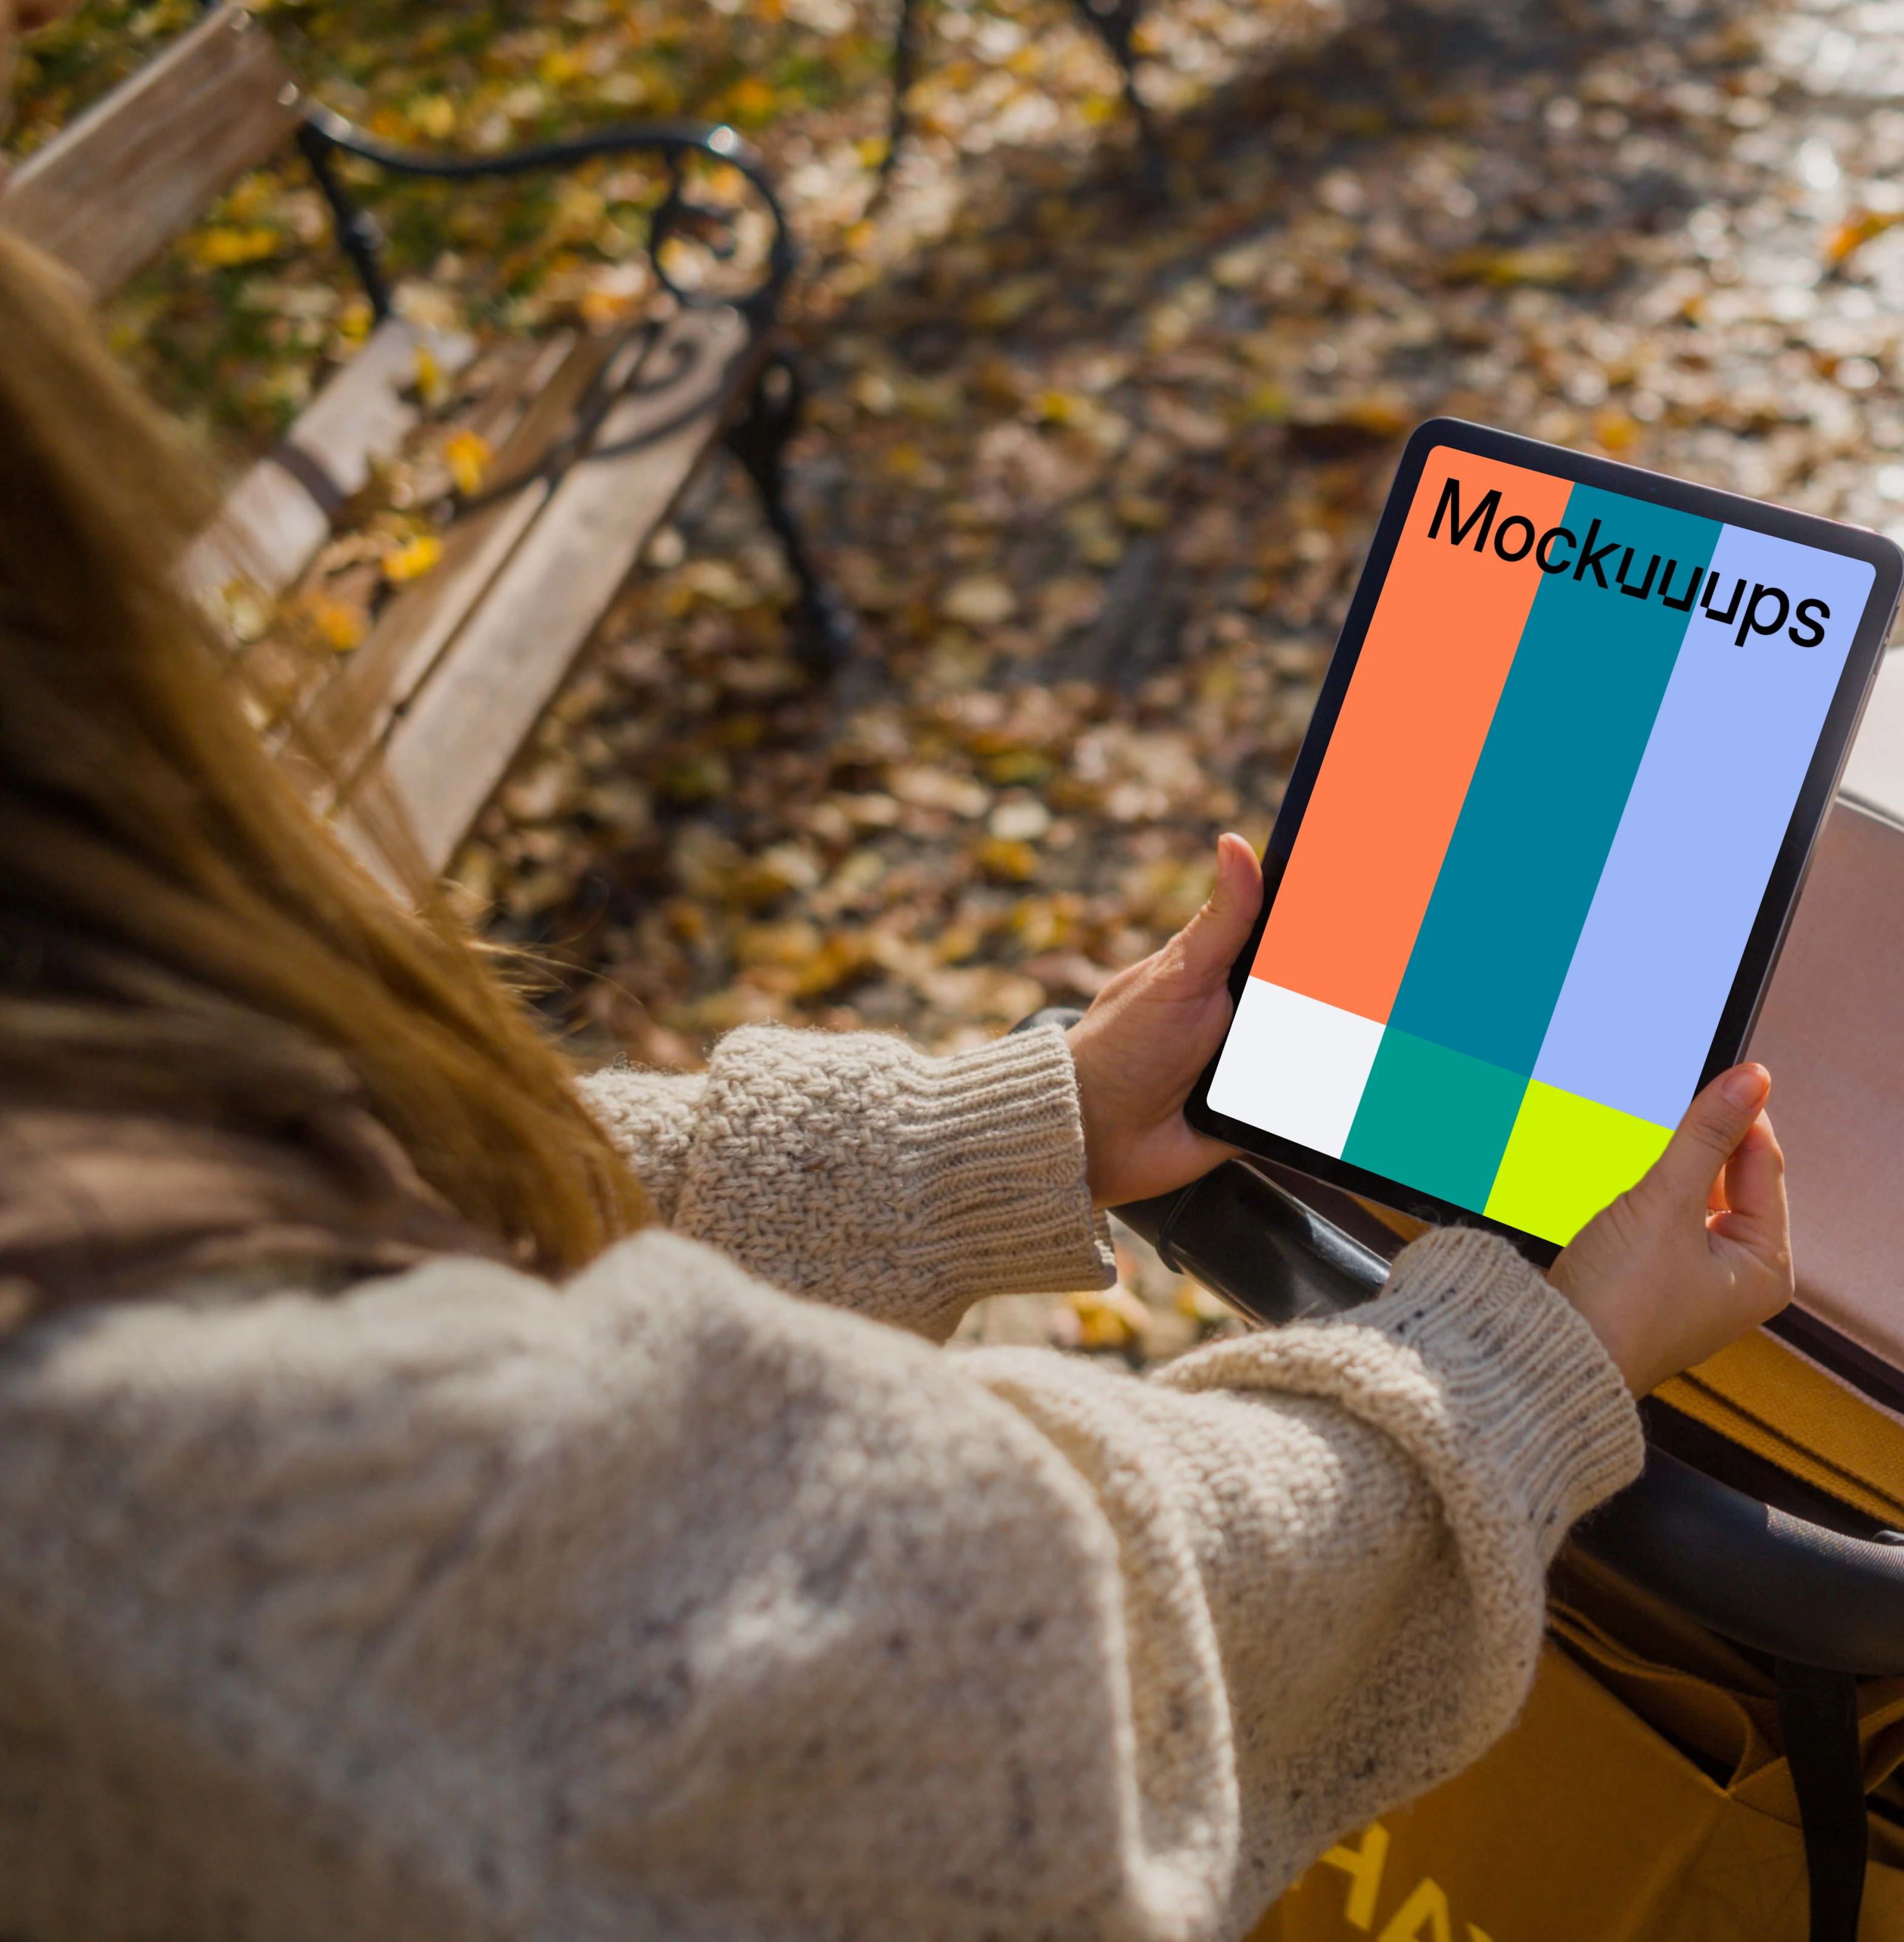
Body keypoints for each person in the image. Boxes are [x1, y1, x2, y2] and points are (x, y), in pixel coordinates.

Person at [0, 112, 1795, 1942]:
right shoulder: (145, 1481)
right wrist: (1511, 1380)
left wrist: (1002, 1135)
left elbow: (444, 1190)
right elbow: (987, 1675)